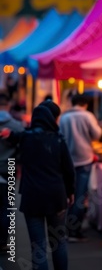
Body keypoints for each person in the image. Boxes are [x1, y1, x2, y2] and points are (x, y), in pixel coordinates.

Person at [3, 101, 75, 270]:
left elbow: (15, 136)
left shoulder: (26, 138)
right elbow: (69, 170)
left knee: (38, 247)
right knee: (58, 242)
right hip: (56, 197)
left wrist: (8, 134)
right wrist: (71, 191)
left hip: (32, 197)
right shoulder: (58, 140)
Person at [59, 93, 102, 242]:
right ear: (85, 104)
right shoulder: (87, 116)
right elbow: (97, 134)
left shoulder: (64, 117)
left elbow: (60, 137)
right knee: (79, 197)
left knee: (68, 195)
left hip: (67, 160)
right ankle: (74, 230)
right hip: (84, 159)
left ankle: (65, 228)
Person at [0, 93, 23, 249]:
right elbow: (22, 149)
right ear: (8, 105)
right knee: (6, 206)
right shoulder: (16, 126)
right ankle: (2, 241)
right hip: (8, 168)